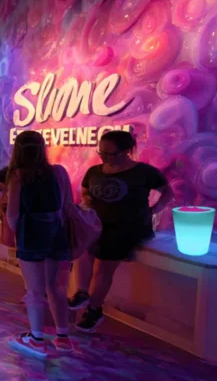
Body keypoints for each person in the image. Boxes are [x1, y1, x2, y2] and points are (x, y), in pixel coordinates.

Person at [69, 130, 171, 332]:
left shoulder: (144, 172)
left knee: (102, 265)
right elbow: (86, 188)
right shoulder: (95, 170)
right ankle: (82, 293)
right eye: (102, 152)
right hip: (98, 224)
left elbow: (167, 192)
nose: (105, 157)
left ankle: (94, 309)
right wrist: (87, 199)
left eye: (111, 153)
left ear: (126, 151)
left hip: (127, 227)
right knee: (82, 249)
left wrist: (154, 210)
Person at [4, 131, 74, 358]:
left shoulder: (18, 176)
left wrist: (18, 234)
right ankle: (63, 337)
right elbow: (68, 205)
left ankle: (36, 339)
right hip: (56, 232)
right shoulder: (59, 172)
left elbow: (12, 215)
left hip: (31, 233)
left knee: (34, 290)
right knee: (55, 287)